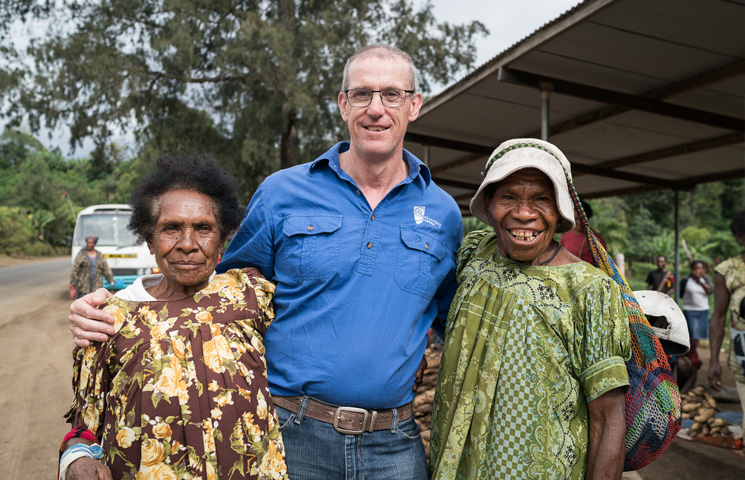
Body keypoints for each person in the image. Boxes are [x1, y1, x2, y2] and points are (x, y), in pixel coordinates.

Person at [68, 44, 463, 479]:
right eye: (362, 94)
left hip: (395, 444)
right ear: (342, 104)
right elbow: (210, 285)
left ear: (414, 105)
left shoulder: (442, 214)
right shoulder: (282, 193)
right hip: (292, 435)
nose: (376, 109)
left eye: (391, 95)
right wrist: (117, 304)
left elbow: (453, 318)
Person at [59, 154, 288, 480]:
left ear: (221, 242)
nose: (187, 244)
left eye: (204, 229)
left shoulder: (251, 295)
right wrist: (75, 458)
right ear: (149, 240)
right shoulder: (109, 319)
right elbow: (84, 423)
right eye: (171, 228)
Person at [429, 139, 630, 480]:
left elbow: (608, 420)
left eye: (541, 199)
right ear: (488, 204)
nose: (524, 213)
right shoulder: (476, 253)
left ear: (560, 210)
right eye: (508, 197)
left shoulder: (589, 289)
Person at [708, 209, 745, 440]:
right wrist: (713, 360)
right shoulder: (728, 270)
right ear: (741, 237)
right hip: (742, 357)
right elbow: (719, 316)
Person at [559, 199, 608, 265]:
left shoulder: (596, 238)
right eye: (576, 218)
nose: (579, 222)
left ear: (587, 218)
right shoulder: (565, 237)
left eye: (582, 219)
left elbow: (604, 263)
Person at [681, 260, 712, 341]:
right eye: (695, 268)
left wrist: (700, 280)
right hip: (689, 310)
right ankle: (692, 351)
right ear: (691, 269)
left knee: (701, 334)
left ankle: (695, 351)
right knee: (692, 334)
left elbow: (710, 291)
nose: (697, 271)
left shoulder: (705, 279)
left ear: (703, 269)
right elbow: (680, 294)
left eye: (699, 268)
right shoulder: (686, 280)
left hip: (703, 310)